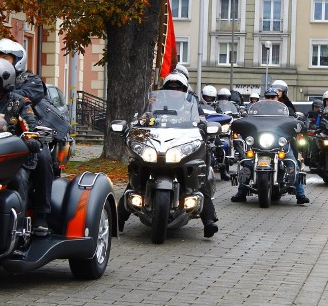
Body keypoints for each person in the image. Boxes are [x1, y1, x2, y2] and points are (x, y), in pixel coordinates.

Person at [118, 73, 220, 237]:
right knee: (135, 181)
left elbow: (201, 121)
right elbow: (141, 121)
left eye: (178, 88)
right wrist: (138, 121)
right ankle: (118, 219)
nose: (175, 91)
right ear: (165, 89)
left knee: (200, 182)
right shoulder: (154, 102)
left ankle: (208, 220)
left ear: (184, 89)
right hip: (158, 145)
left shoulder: (191, 104)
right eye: (171, 88)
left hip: (181, 146)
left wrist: (204, 127)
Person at [0, 56, 53, 236]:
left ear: (3, 81)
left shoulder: (19, 102)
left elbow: (30, 126)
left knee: (18, 178)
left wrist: (32, 139)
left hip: (13, 157)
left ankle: (23, 224)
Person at [231, 87, 310, 205]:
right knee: (247, 163)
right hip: (259, 143)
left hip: (280, 144)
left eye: (273, 97)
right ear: (264, 97)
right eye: (268, 97)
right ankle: (241, 192)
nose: (270, 99)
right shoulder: (257, 110)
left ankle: (300, 194)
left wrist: (298, 122)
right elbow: (248, 119)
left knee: (292, 163)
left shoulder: (286, 110)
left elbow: (294, 120)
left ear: (278, 97)